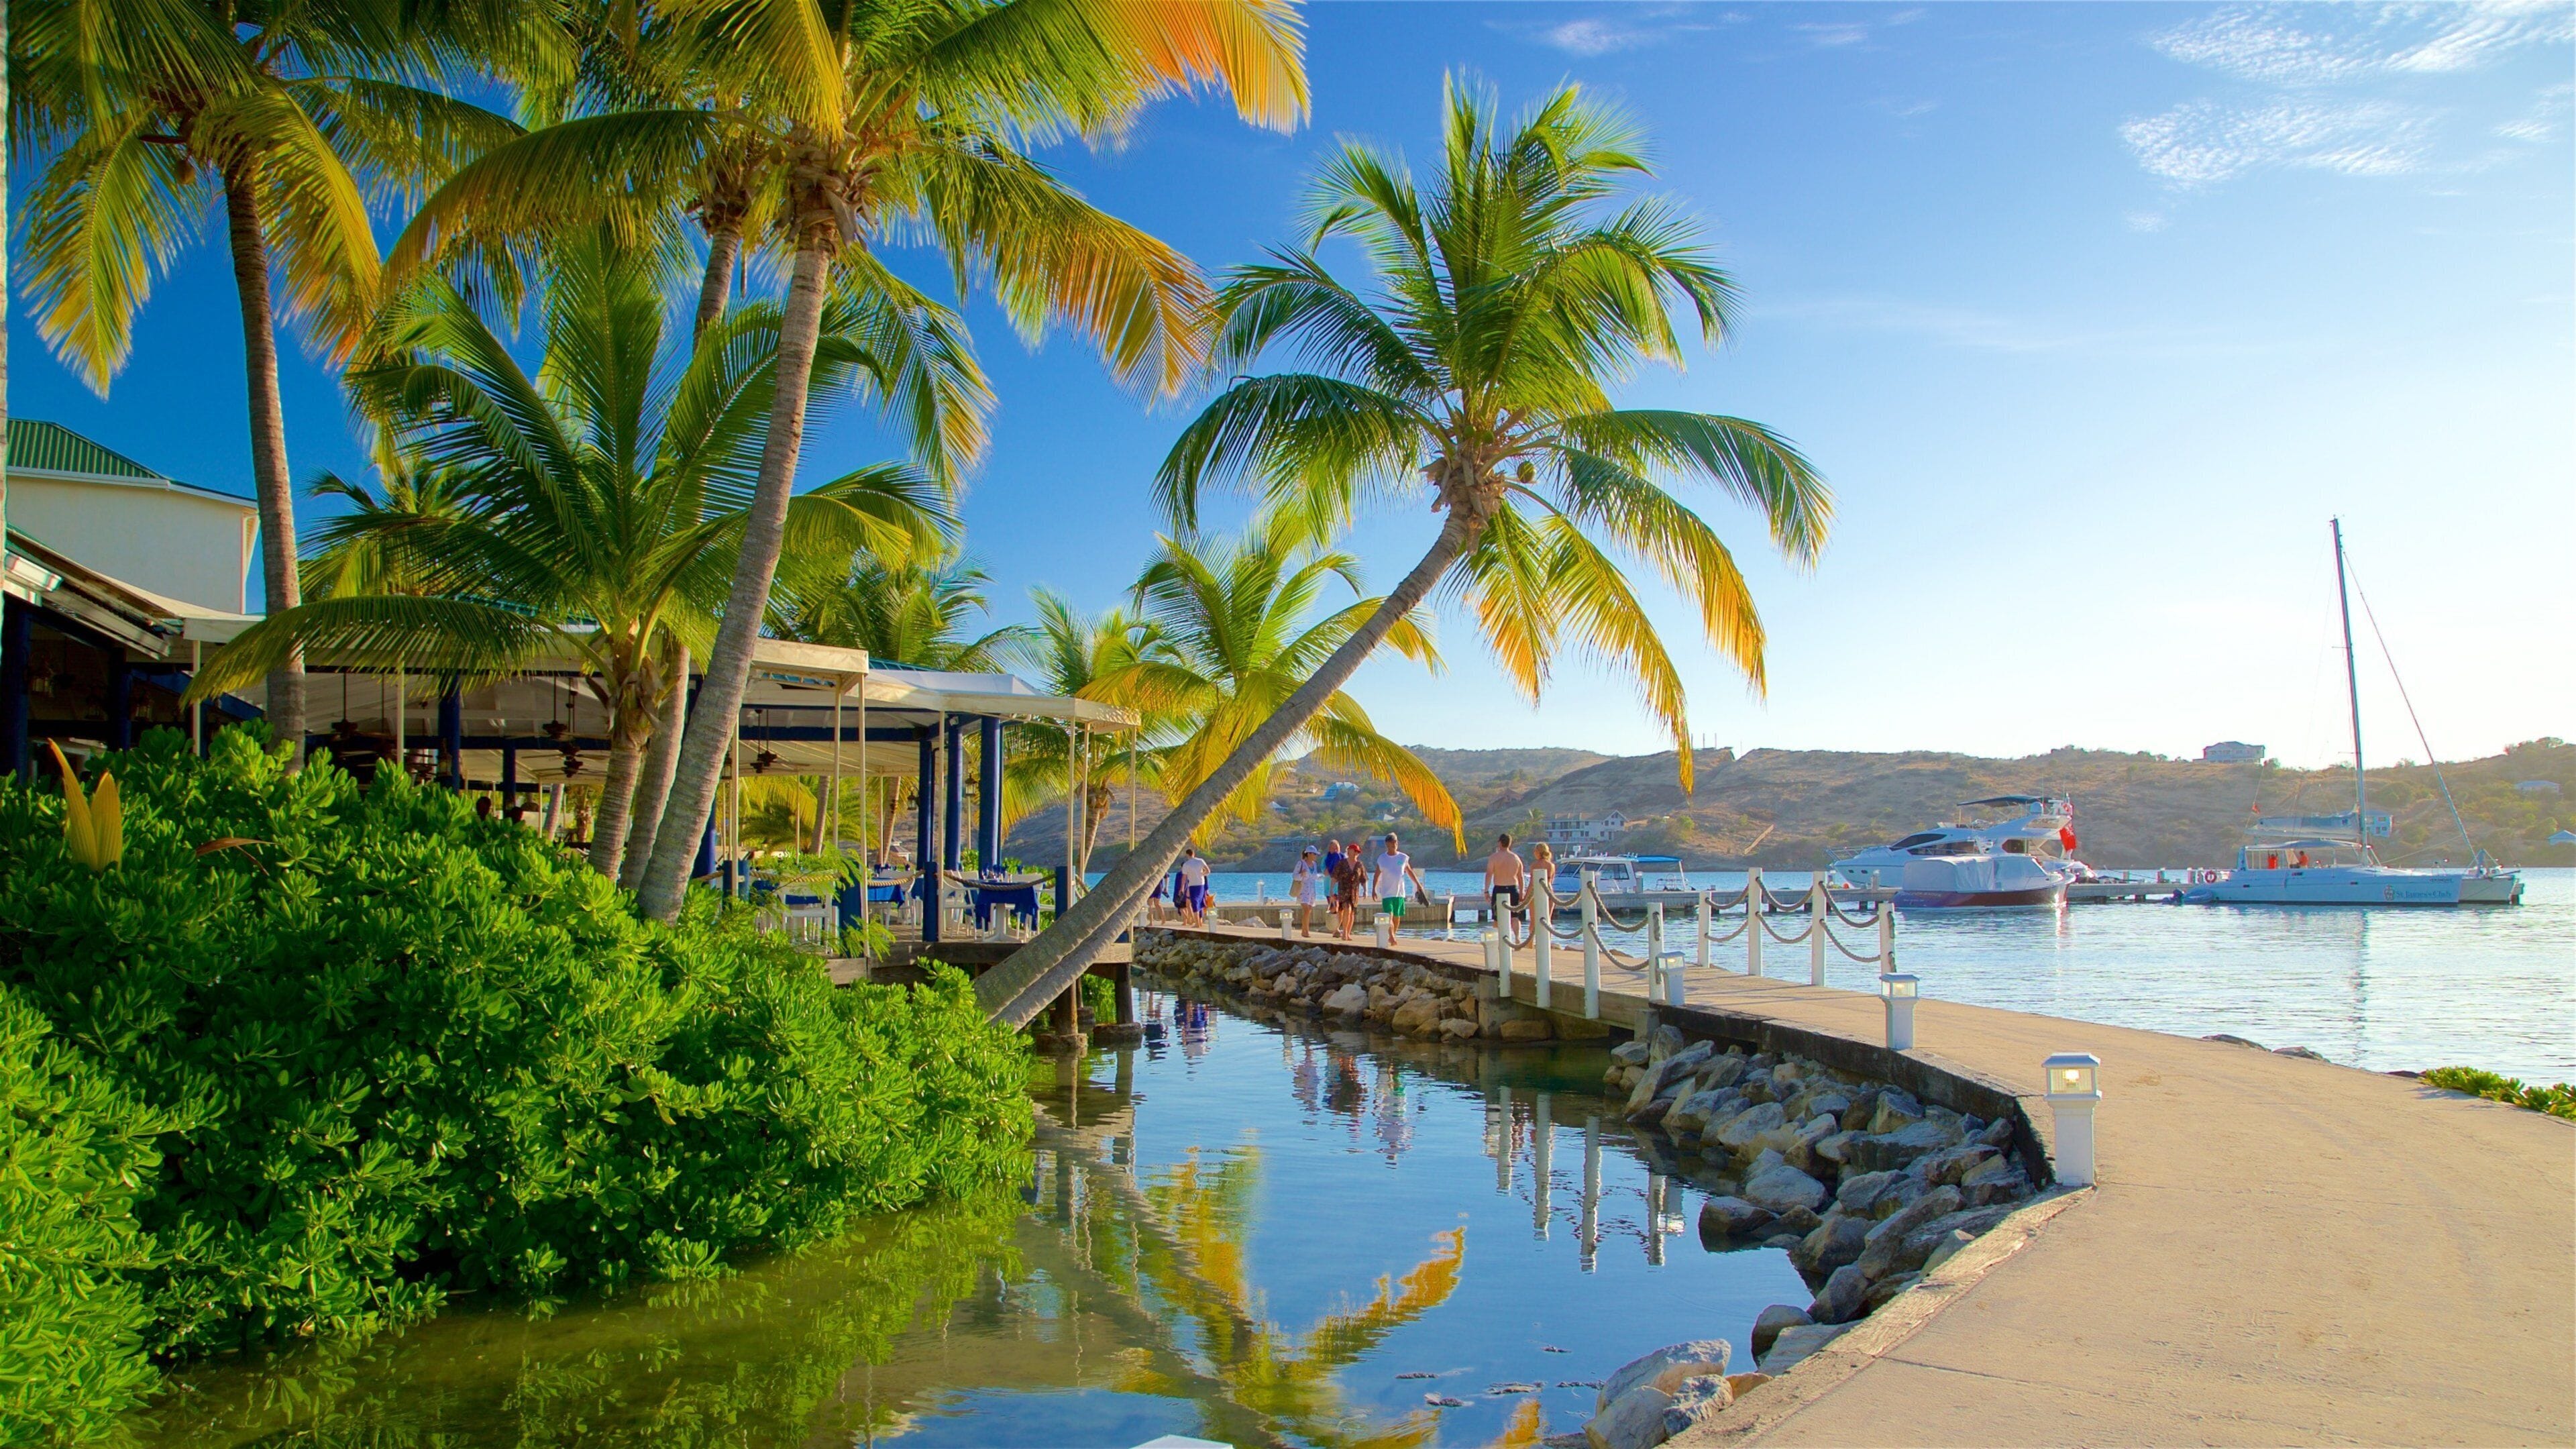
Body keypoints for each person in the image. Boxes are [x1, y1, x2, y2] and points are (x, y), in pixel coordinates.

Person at [1371, 833, 1424, 934]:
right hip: (1387, 893)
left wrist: (1418, 884)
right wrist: (1374, 889)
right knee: (1389, 915)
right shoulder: (1382, 858)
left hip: (1399, 893)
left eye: (1395, 842)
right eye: (1391, 842)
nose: (1394, 844)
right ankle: (1392, 937)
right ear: (1387, 844)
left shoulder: (1403, 858)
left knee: (1397, 916)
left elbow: (1410, 872)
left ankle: (1393, 935)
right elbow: (1376, 875)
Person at [1483, 832, 1527, 925]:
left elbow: (1489, 874)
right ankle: (1517, 938)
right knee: (1514, 917)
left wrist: (1486, 891)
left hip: (1499, 888)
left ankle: (1499, 938)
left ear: (1500, 843)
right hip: (1513, 888)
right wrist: (1522, 892)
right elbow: (1521, 877)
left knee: (1497, 917)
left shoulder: (1494, 858)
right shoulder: (1516, 858)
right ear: (1509, 843)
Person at [1328, 842, 1364, 941]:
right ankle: (1344, 934)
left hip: (1354, 892)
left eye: (1356, 852)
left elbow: (1363, 878)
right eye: (1352, 851)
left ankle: (1348, 933)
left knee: (1351, 913)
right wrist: (1331, 889)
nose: (1354, 853)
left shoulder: (1359, 864)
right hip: (1343, 890)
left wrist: (1365, 890)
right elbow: (1335, 876)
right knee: (1346, 909)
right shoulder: (1342, 863)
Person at [1291, 846, 1323, 936]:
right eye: (1314, 854)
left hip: (1312, 891)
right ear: (1308, 854)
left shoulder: (1315, 864)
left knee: (1309, 910)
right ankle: (1305, 931)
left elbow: (1315, 876)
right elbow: (1294, 876)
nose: (1316, 856)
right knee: (1306, 910)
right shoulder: (1301, 863)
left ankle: (1305, 930)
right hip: (1303, 890)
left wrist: (1324, 877)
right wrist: (1302, 874)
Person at [1177, 845, 1212, 926]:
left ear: (1187, 855)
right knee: (1200, 902)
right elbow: (1208, 871)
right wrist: (1202, 874)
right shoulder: (1200, 861)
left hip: (1193, 885)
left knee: (1195, 903)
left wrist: (1182, 888)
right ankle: (1199, 922)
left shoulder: (1186, 864)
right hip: (1201, 884)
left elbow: (1184, 878)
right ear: (1194, 854)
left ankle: (1197, 924)